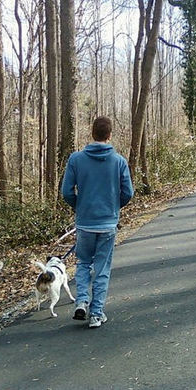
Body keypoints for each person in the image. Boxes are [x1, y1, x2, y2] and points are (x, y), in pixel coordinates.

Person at [61, 116, 134, 328]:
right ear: (109, 135)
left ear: (92, 133)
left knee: (83, 263)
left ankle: (81, 301)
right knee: (102, 268)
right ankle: (96, 314)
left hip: (85, 223)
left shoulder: (76, 159)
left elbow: (66, 192)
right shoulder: (119, 161)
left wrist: (80, 206)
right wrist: (113, 207)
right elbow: (127, 193)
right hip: (108, 224)